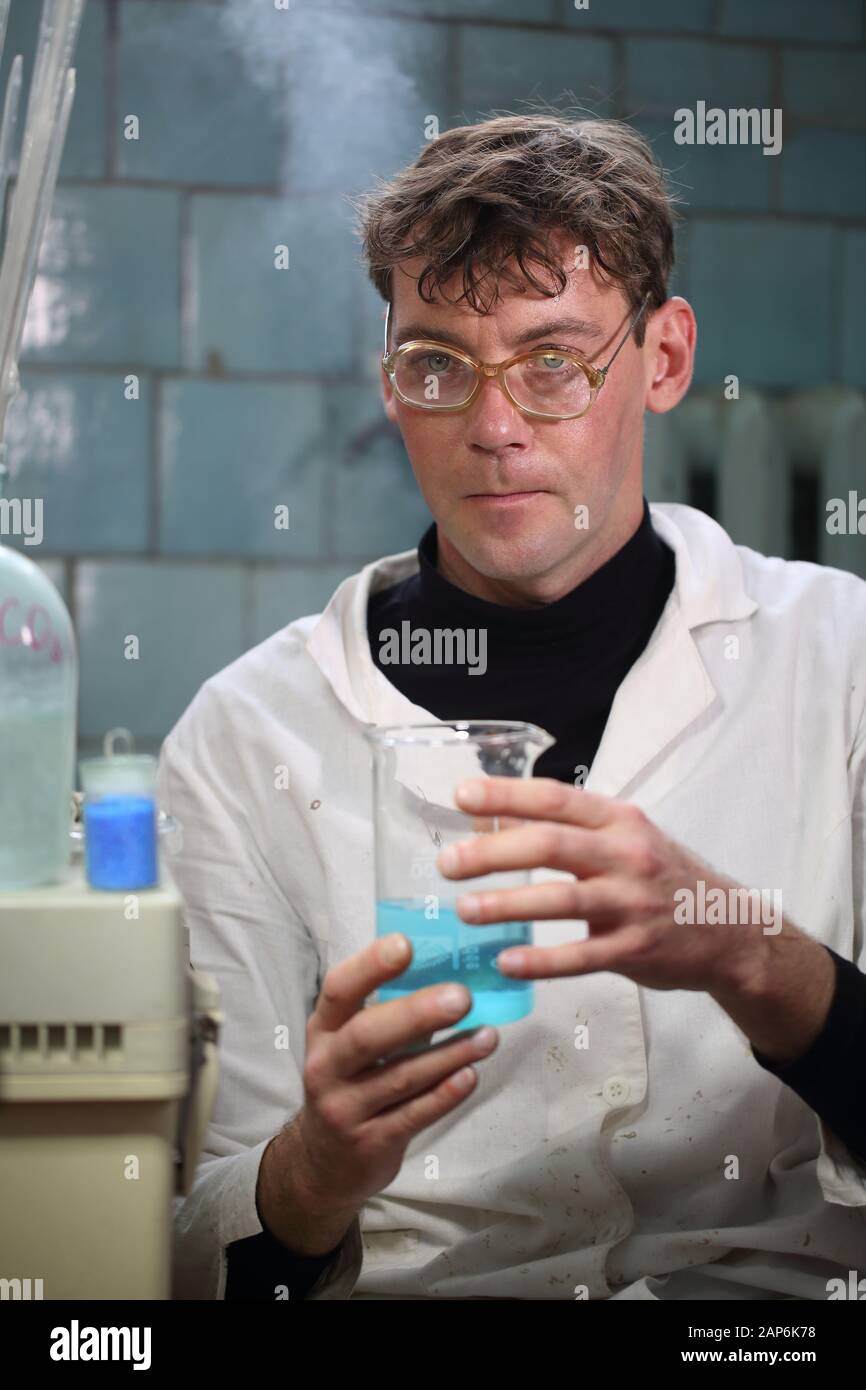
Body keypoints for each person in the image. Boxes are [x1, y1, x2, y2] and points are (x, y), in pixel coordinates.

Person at [158, 113, 866, 1302]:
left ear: (664, 358)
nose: (492, 429)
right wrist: (313, 1171)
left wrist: (747, 953)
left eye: (551, 361)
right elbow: (189, 1257)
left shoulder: (839, 660)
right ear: (391, 383)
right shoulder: (246, 740)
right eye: (438, 364)